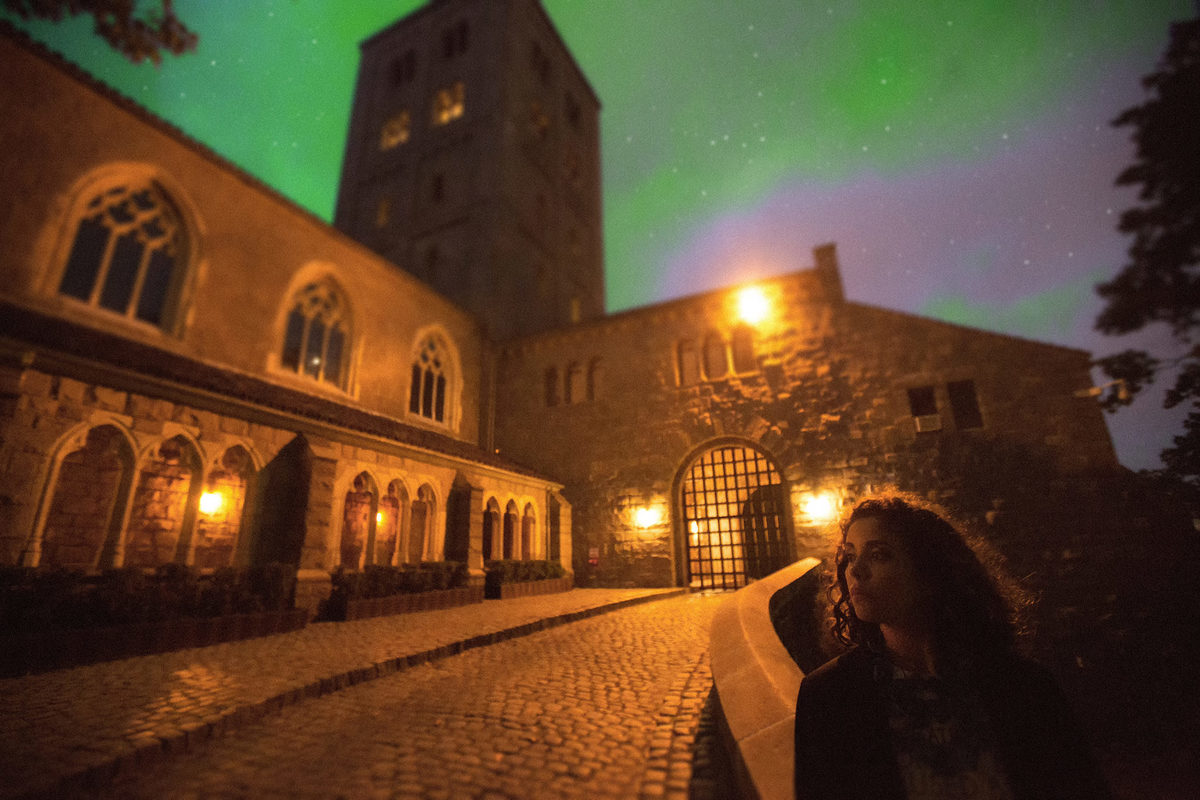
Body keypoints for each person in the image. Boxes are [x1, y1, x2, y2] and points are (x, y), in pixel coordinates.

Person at [793, 493, 1111, 800]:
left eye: (878, 554)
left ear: (929, 572)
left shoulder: (1023, 687)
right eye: (849, 555)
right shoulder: (831, 696)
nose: (855, 570)